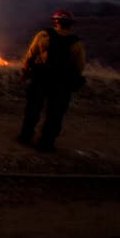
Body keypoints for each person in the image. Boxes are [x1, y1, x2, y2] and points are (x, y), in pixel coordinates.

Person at [17, 9, 87, 153]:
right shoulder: (76, 43)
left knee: (33, 109)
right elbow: (79, 66)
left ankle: (25, 136)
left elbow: (31, 54)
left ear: (55, 22)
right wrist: (72, 80)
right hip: (62, 82)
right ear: (70, 24)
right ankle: (46, 143)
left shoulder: (43, 35)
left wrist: (25, 71)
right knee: (55, 114)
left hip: (41, 78)